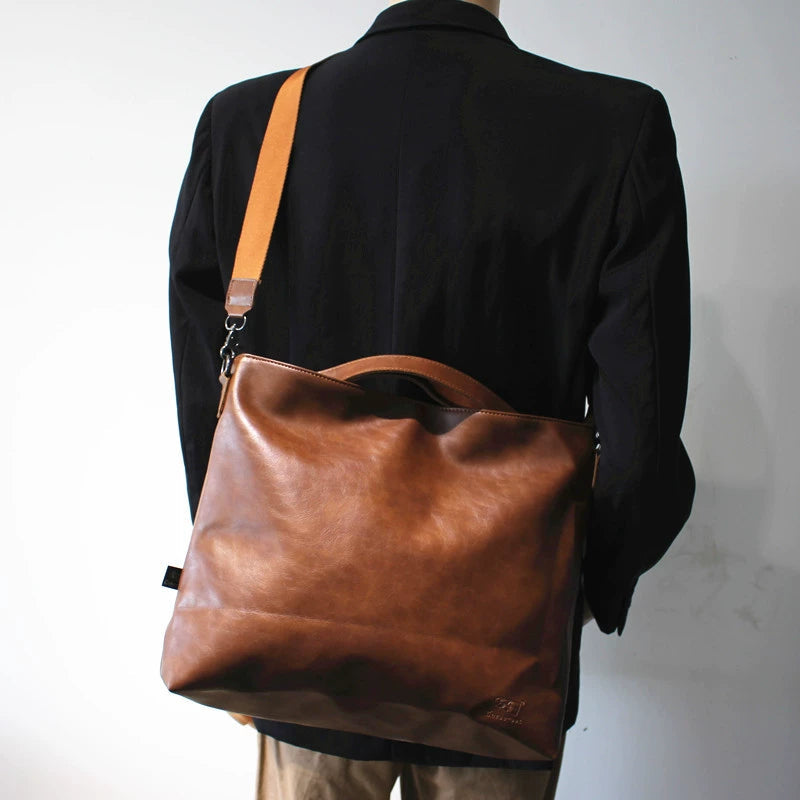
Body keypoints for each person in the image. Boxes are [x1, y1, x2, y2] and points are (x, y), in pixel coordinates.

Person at [167, 0, 696, 796]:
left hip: (298, 637)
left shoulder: (248, 121)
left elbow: (202, 402)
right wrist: (573, 589)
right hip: (497, 653)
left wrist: (246, 578)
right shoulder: (615, 123)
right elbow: (641, 432)